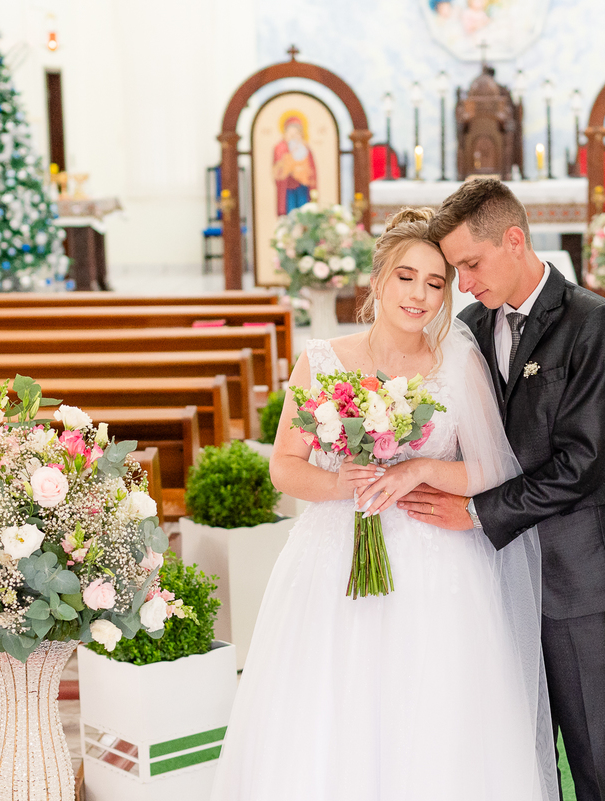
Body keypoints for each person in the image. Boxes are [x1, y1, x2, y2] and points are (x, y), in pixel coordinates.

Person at [209, 207, 557, 801]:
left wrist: (421, 470)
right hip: (332, 559)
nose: (419, 295)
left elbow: (493, 467)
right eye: (406, 276)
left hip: (438, 560)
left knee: (431, 711)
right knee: (334, 706)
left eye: (435, 282)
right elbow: (285, 466)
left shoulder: (459, 362)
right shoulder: (321, 359)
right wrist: (350, 483)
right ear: (377, 281)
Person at [401, 178, 605, 801]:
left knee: (594, 757)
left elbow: (582, 462)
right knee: (518, 754)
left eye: (470, 265)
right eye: (456, 270)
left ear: (514, 240)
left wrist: (477, 511)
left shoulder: (595, 324)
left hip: (576, 576)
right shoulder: (471, 328)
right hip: (493, 580)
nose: (465, 283)